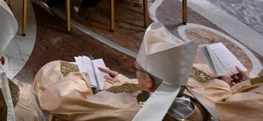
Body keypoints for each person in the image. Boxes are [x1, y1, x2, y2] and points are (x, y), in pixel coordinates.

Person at [34, 22, 215, 120]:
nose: (134, 73)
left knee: (53, 70)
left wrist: (78, 79)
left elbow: (60, 101)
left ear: (149, 82)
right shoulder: (198, 106)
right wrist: (121, 78)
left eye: (136, 69)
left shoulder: (123, 109)